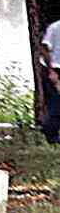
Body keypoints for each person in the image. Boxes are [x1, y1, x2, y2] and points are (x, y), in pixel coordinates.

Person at [41, 14, 60, 144]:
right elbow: (44, 48)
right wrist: (51, 71)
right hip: (55, 69)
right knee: (55, 104)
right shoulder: (55, 27)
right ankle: (51, 137)